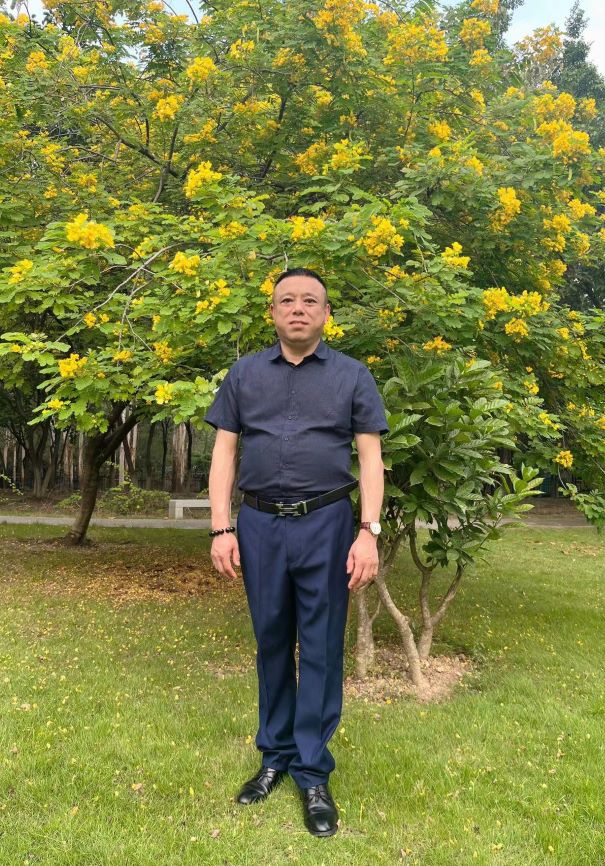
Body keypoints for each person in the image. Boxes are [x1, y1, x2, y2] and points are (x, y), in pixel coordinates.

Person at [204, 267, 388, 837]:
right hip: (259, 525)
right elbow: (224, 453)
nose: (298, 309)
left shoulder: (353, 376)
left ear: (326, 314)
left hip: (328, 524)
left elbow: (371, 458)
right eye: (287, 300)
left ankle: (312, 772)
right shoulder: (244, 374)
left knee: (323, 646)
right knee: (271, 641)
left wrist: (369, 532)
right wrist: (220, 528)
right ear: (273, 313)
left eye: (310, 301)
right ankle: (274, 756)